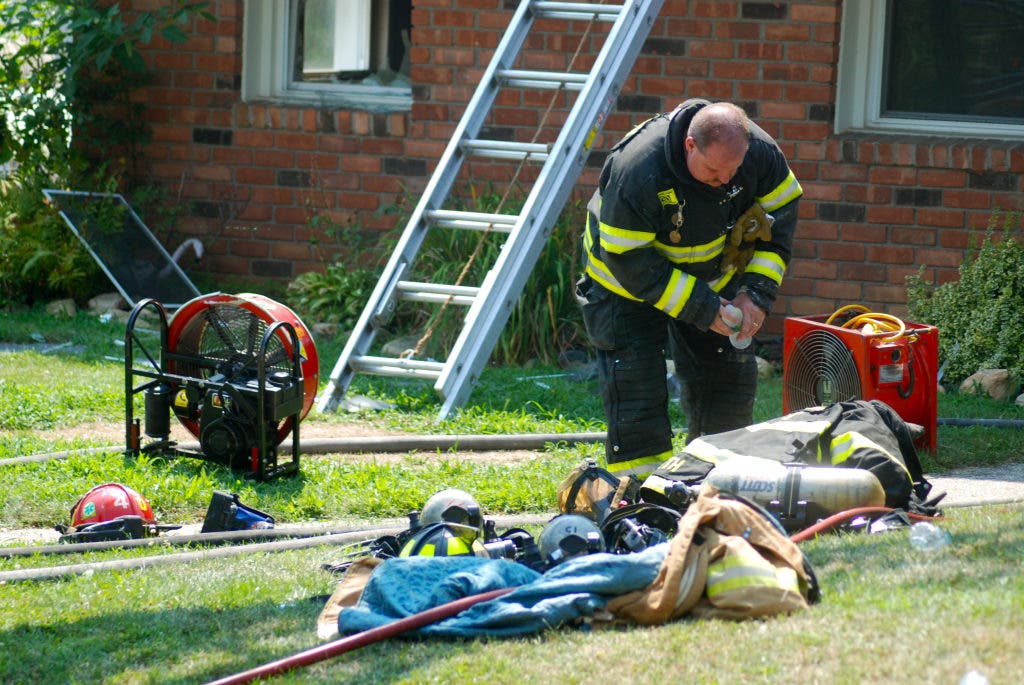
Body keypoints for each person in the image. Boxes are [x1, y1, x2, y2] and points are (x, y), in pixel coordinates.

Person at [575, 98, 802, 480]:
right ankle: (640, 494)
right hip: (623, 287)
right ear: (690, 146)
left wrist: (755, 294)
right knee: (636, 389)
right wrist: (704, 308)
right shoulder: (638, 169)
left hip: (712, 279)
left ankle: (716, 480)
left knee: (726, 382)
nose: (726, 181)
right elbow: (627, 256)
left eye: (734, 171)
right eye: (714, 171)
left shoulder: (761, 156)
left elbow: (780, 220)